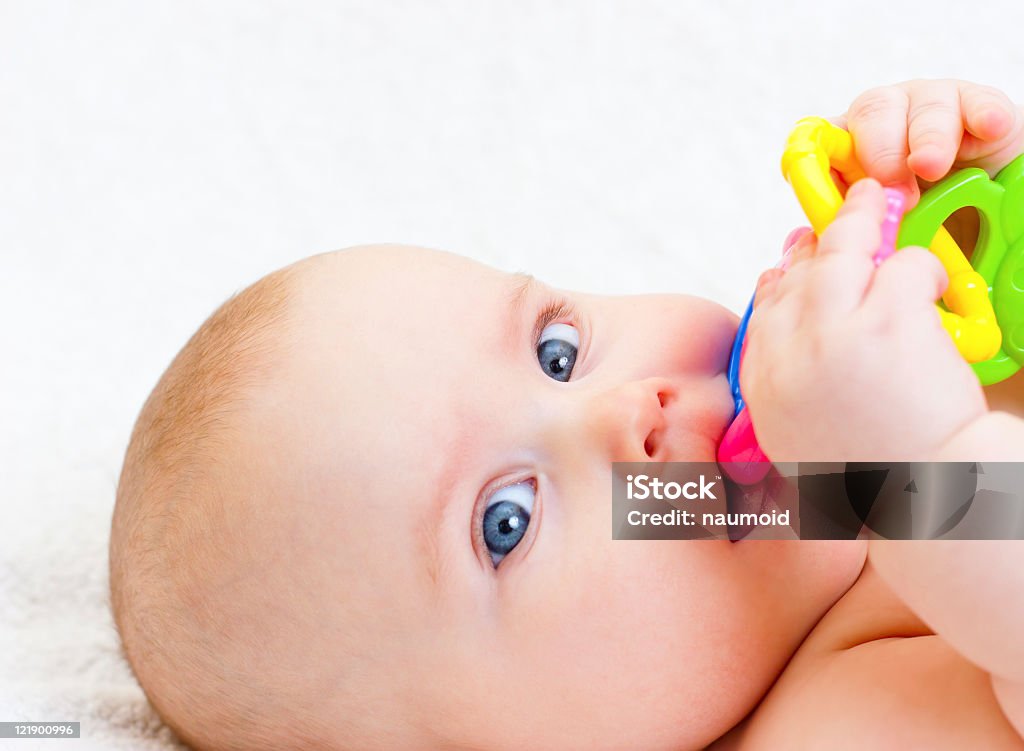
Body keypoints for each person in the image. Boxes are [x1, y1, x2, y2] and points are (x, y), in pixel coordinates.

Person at [109, 79, 1024, 750]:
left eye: (558, 352)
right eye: (506, 521)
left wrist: (977, 227)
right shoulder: (826, 721)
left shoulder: (845, 464)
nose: (621, 410)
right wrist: (921, 452)